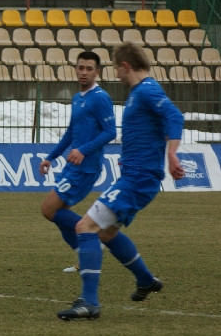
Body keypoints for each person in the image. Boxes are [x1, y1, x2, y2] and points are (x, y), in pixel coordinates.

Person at [57, 42, 185, 321]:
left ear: (126, 66)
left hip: (137, 180)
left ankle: (89, 302)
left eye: (116, 68)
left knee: (84, 227)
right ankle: (146, 280)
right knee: (106, 234)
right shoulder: (141, 93)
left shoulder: (147, 90)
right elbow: (157, 127)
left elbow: (174, 115)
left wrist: (172, 154)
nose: (115, 74)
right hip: (135, 177)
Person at [39, 51, 116, 273]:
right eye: (81, 67)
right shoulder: (77, 98)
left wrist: (83, 150)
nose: (84, 72)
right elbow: (71, 133)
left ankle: (92, 235)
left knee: (48, 209)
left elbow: (110, 131)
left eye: (89, 69)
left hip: (87, 167)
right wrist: (51, 157)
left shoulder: (100, 97)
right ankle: (86, 257)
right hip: (72, 165)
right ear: (75, 69)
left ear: (97, 72)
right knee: (59, 215)